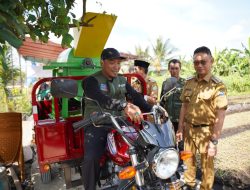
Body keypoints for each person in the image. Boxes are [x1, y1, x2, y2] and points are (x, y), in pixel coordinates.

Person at [81, 48, 153, 190]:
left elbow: (136, 96)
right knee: (91, 157)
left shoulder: (121, 80)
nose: (116, 66)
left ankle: (148, 179)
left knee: (145, 145)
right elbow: (102, 99)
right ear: (102, 62)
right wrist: (124, 105)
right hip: (98, 124)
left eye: (118, 63)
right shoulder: (91, 81)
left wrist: (152, 109)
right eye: (112, 62)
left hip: (120, 123)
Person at [176, 46, 228, 190]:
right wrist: (180, 128)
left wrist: (214, 141)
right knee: (188, 161)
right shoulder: (189, 82)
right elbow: (184, 106)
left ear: (211, 61)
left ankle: (206, 188)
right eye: (196, 62)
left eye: (203, 62)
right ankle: (189, 184)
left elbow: (220, 114)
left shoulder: (218, 86)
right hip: (188, 130)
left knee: (207, 167)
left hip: (206, 132)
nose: (199, 65)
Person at [160, 59, 185, 133]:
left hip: (180, 119)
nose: (174, 71)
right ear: (169, 69)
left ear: (180, 69)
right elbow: (162, 101)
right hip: (168, 119)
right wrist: (161, 117)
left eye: (176, 68)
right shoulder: (165, 83)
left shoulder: (185, 83)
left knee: (181, 143)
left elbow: (188, 104)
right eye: (172, 68)